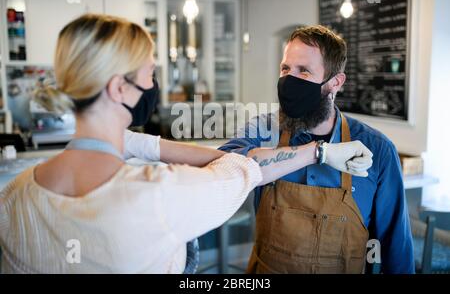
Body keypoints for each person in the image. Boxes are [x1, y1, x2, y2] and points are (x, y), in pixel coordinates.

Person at [0, 15, 372, 273]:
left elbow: (232, 159)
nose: (155, 84)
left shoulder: (13, 197)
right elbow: (243, 167)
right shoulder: (160, 194)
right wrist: (320, 152)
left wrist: (126, 140)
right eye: (150, 73)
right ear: (119, 88)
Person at [219, 25, 414, 274]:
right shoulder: (264, 129)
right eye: (285, 68)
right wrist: (318, 151)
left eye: (304, 71)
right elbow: (225, 167)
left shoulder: (378, 150)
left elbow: (396, 250)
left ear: (335, 83)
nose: (290, 79)